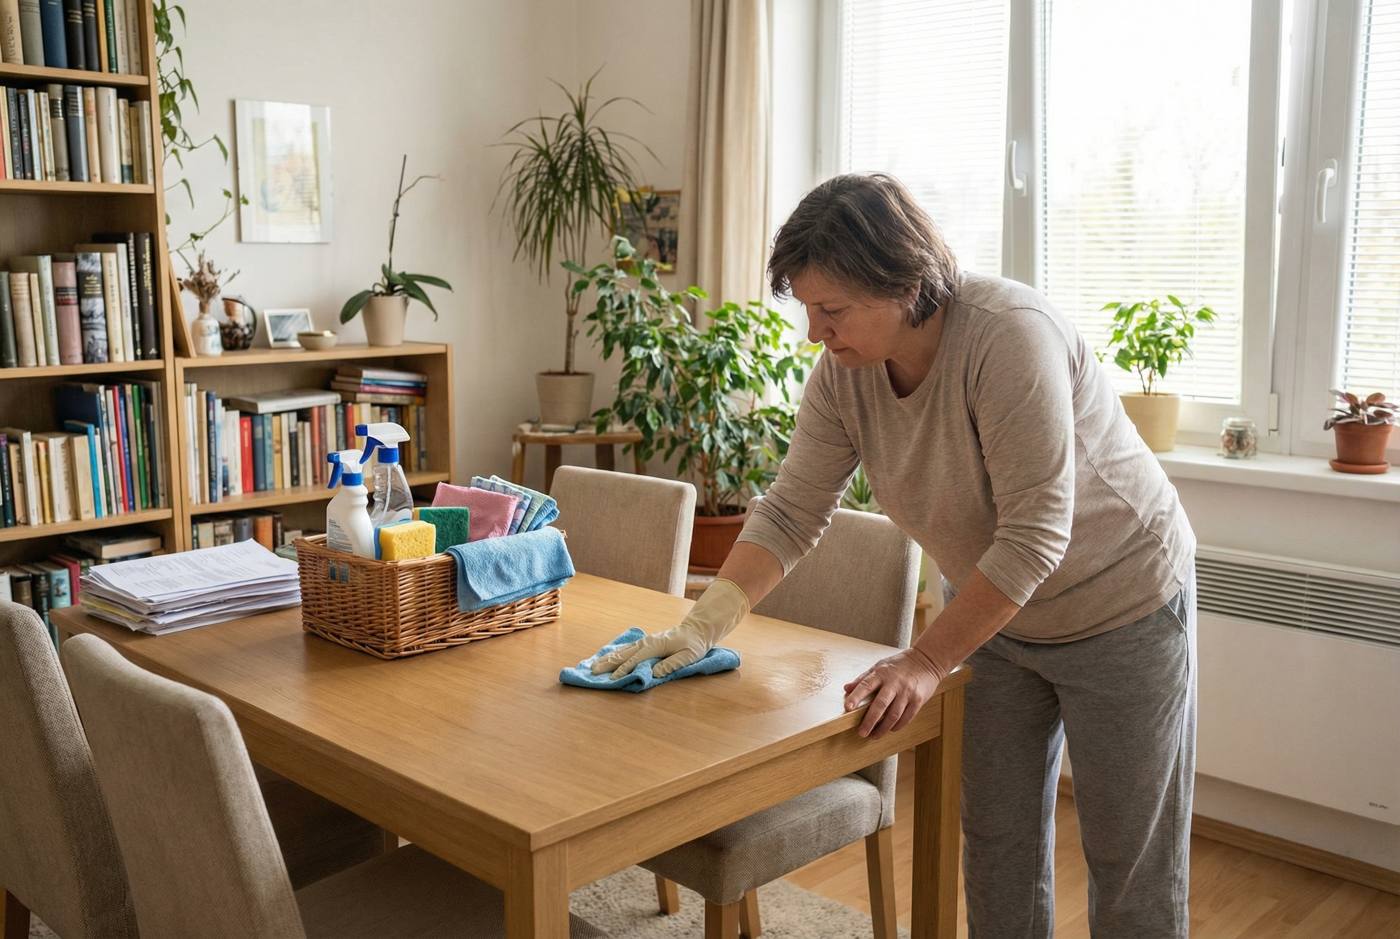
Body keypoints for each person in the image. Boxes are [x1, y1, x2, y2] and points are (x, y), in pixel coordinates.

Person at [591, 172, 1198, 938]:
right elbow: (790, 510)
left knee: (1129, 862)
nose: (815, 331)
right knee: (999, 845)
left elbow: (1037, 531)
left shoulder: (1009, 336)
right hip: (997, 619)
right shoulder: (843, 377)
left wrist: (922, 661)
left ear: (902, 282)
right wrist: (704, 621)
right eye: (809, 308)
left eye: (832, 309)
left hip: (1122, 604)